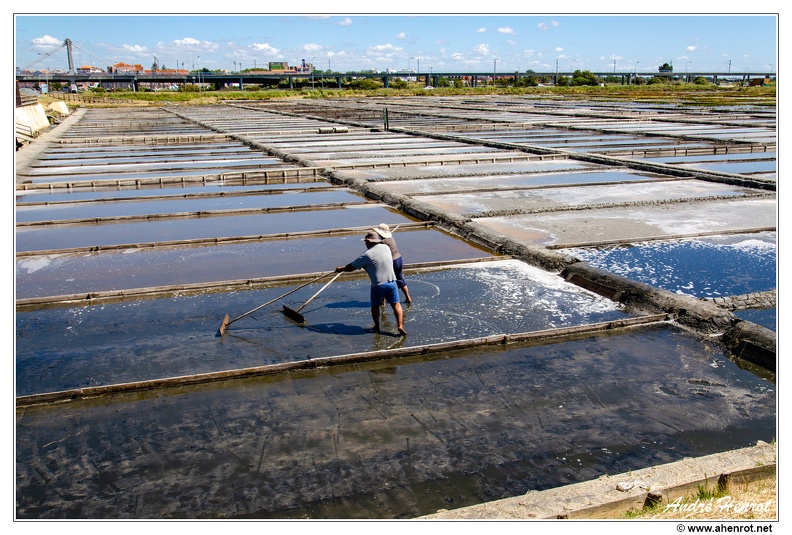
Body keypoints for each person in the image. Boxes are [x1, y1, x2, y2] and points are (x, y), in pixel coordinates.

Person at [335, 231, 407, 336]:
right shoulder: (386, 248)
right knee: (396, 304)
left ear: (369, 241)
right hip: (392, 282)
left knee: (375, 306)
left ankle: (377, 327)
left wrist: (341, 269)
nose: (365, 244)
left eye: (365, 242)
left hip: (378, 285)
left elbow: (352, 267)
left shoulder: (367, 255)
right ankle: (400, 326)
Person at [372, 223, 412, 304]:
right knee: (400, 279)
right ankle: (408, 297)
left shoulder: (382, 242)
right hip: (399, 259)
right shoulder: (391, 238)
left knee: (385, 280)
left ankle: (383, 301)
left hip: (392, 262)